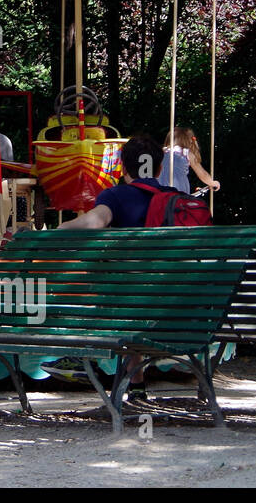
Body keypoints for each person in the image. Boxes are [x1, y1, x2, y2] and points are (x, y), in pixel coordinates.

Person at [52, 133, 170, 399]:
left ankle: (82, 358)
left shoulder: (116, 196)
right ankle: (136, 387)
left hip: (124, 304)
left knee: (99, 285)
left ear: (123, 167)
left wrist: (59, 229)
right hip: (176, 308)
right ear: (159, 168)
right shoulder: (175, 199)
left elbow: (95, 223)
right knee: (130, 293)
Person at [158, 127, 220, 194]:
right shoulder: (186, 153)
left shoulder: (162, 151)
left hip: (160, 187)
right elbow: (202, 174)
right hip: (179, 187)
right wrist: (212, 183)